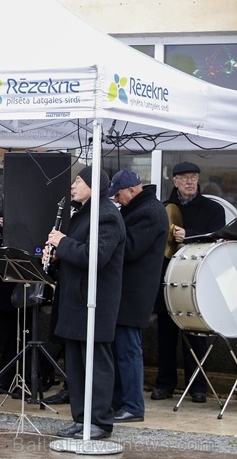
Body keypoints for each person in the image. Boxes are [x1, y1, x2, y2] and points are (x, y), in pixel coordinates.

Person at [44, 166, 125, 440]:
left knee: (96, 365)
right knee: (76, 366)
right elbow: (75, 253)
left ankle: (100, 421)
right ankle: (81, 418)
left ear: (94, 184)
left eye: (78, 181)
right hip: (75, 301)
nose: (73, 186)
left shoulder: (107, 216)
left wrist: (62, 242)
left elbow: (96, 257)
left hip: (95, 303)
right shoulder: (84, 214)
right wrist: (56, 257)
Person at [152, 162, 225, 403]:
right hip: (168, 278)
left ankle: (198, 386)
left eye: (193, 177)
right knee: (166, 335)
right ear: (174, 181)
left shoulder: (212, 208)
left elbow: (217, 237)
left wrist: (189, 234)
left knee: (197, 335)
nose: (189, 181)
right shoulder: (162, 208)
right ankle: (165, 384)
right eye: (184, 178)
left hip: (198, 279)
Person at [108, 169, 168, 422]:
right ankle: (120, 402)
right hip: (128, 291)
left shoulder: (149, 212)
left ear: (132, 190)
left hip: (134, 293)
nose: (116, 200)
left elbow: (130, 249)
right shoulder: (141, 209)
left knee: (128, 350)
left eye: (119, 195)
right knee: (122, 349)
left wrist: (109, 234)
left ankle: (133, 406)